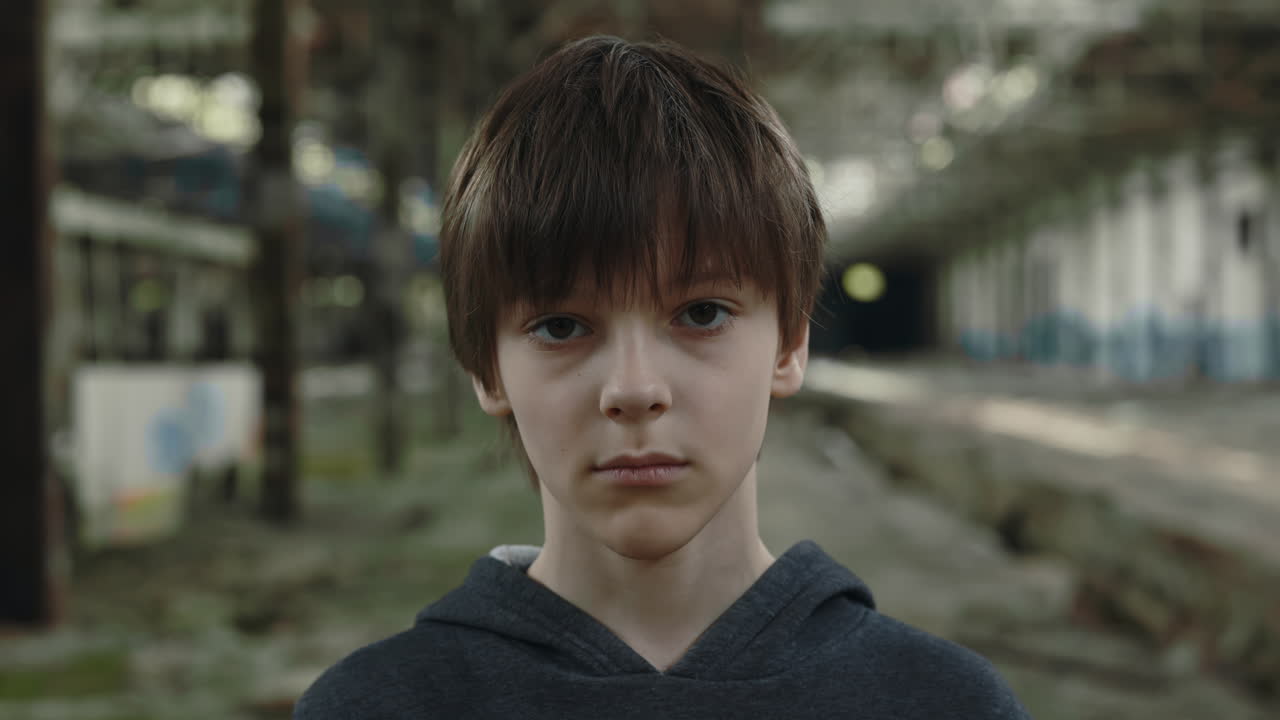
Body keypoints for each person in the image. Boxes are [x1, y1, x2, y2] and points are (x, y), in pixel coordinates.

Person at [295, 35, 1031, 719]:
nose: (634, 388)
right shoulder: (372, 708)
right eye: (561, 326)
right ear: (486, 368)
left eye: (702, 313)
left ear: (790, 344)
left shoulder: (942, 704)